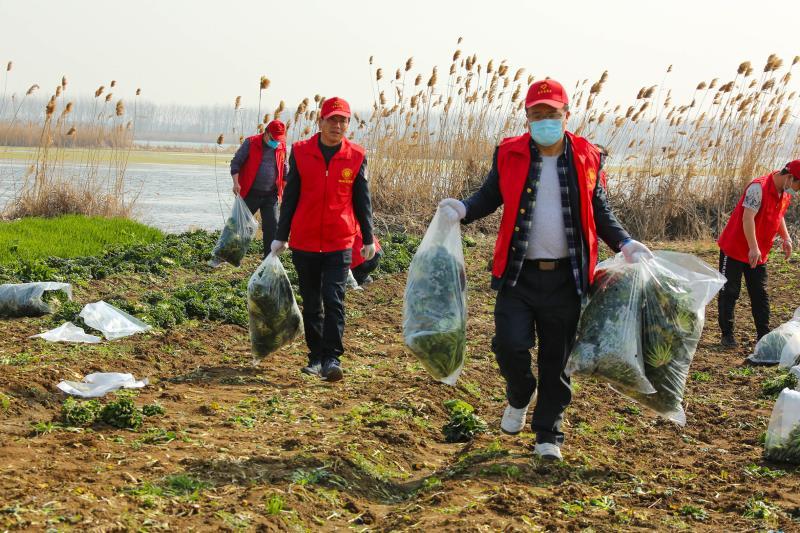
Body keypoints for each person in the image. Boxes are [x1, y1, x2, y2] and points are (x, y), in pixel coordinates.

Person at [439, 79, 651, 461]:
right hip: (518, 274)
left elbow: (599, 210)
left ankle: (548, 434)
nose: (544, 122)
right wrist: (464, 209)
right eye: (537, 115)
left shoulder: (588, 156)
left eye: (552, 115)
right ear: (527, 118)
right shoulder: (508, 153)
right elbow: (490, 196)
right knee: (509, 345)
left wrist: (625, 242)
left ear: (566, 115)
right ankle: (520, 394)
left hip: (567, 279)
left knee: (557, 359)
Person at [271, 97, 375, 382]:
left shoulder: (356, 155)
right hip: (304, 241)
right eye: (332, 119)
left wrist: (368, 238)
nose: (337, 125)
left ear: (347, 124)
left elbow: (362, 199)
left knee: (334, 299)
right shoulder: (301, 151)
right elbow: (290, 197)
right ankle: (315, 357)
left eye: (343, 121)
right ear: (321, 121)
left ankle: (332, 358)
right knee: (312, 302)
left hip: (339, 241)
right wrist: (281, 236)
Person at [717, 160, 800, 348]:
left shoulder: (785, 193)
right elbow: (748, 218)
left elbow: (778, 217)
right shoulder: (758, 188)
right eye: (799, 185)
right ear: (789, 177)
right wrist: (753, 247)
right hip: (736, 248)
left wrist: (786, 238)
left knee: (759, 294)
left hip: (758, 252)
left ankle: (764, 335)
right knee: (730, 291)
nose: (798, 190)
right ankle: (727, 335)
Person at [229, 119, 288, 258]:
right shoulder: (251, 143)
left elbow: (285, 169)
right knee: (239, 225)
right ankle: (228, 255)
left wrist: (285, 191)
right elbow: (236, 163)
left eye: (279, 140)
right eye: (274, 139)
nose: (276, 143)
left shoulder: (281, 146)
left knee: (272, 227)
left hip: (271, 195)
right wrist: (236, 183)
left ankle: (269, 258)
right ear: (266, 133)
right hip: (251, 192)